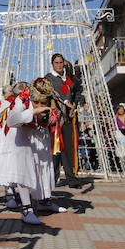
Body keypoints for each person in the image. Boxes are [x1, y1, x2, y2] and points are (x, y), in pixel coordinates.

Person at [0, 80, 59, 225]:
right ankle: (27, 209)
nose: (40, 106)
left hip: (40, 138)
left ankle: (43, 201)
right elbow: (11, 121)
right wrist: (33, 111)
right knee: (24, 171)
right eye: (36, 102)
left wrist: (53, 118)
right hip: (21, 139)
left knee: (42, 168)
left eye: (43, 103)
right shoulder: (21, 100)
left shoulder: (51, 103)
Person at [43, 53, 81, 186]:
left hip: (69, 117)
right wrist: (64, 102)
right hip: (55, 118)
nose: (59, 65)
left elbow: (77, 92)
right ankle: (52, 177)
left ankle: (71, 177)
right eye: (56, 63)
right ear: (52, 64)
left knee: (69, 148)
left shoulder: (70, 79)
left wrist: (75, 103)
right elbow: (50, 94)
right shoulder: (48, 79)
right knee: (55, 148)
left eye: (61, 62)